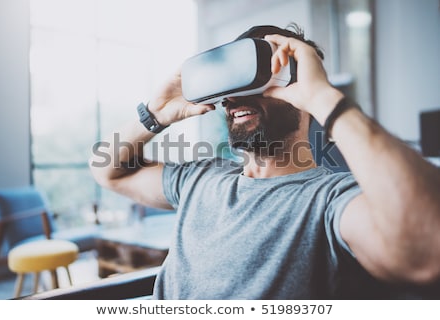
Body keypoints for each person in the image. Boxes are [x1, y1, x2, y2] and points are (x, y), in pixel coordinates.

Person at [89, 24, 440, 299]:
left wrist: (323, 97)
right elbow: (107, 171)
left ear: (297, 85)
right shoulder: (201, 177)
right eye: (232, 83)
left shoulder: (332, 199)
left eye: (259, 78)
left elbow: (427, 253)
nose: (234, 97)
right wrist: (154, 115)